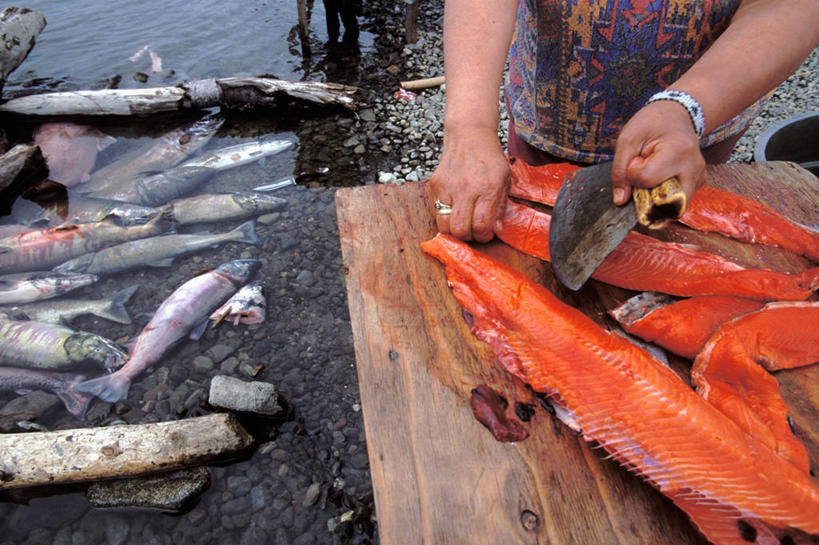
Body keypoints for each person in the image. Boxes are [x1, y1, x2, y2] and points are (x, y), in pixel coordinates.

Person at [429, 0, 819, 242]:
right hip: (546, 123)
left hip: (694, 132)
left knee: (679, 243)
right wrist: (470, 129)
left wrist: (687, 106)